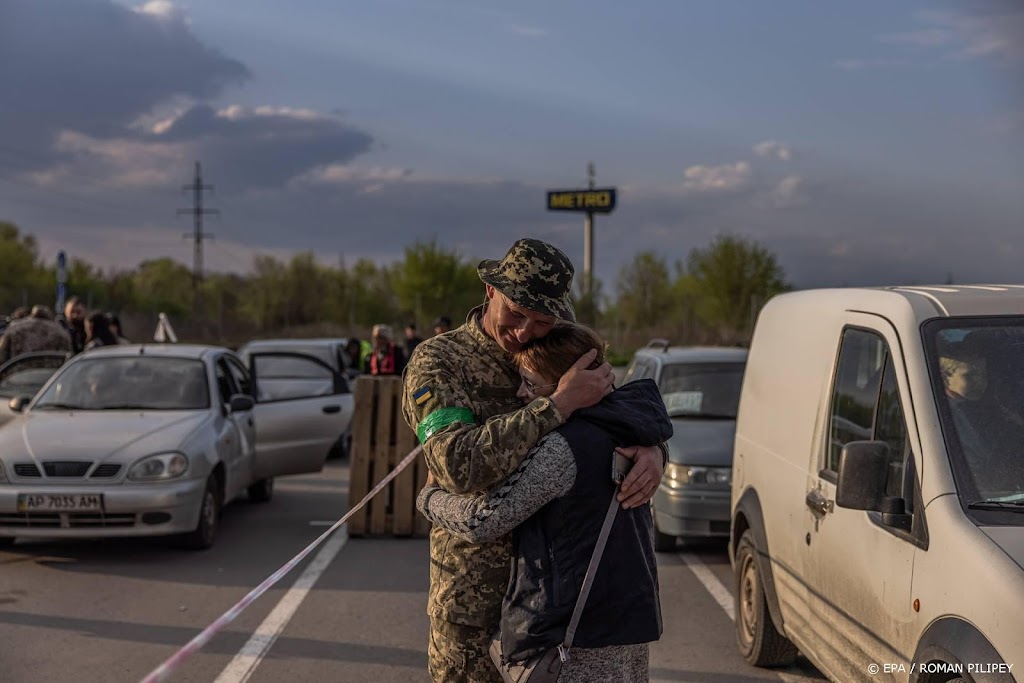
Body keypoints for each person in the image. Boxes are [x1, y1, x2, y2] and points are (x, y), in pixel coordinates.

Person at [402, 238, 666, 683]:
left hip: (555, 608)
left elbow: (615, 410)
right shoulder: (441, 361)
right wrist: (556, 406)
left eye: (540, 320)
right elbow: (455, 467)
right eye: (516, 313)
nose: (524, 331)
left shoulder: (560, 344)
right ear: (490, 292)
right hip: (474, 603)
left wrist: (654, 451)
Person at [0, 304, 72, 363]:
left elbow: (2, 356)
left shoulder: (15, 329)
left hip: (18, 375)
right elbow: (68, 358)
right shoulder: (60, 331)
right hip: (53, 377)